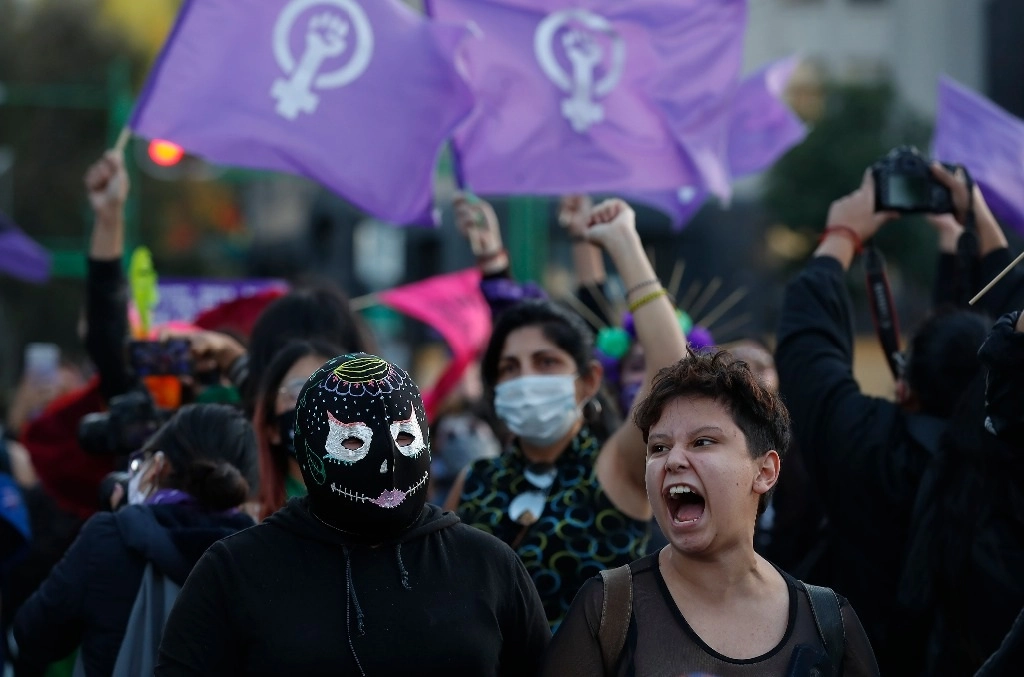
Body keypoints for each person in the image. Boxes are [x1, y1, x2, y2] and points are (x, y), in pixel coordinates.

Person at [157, 353, 550, 676]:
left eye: (404, 437)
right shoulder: (235, 571)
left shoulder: (488, 566)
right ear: (309, 453)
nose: (388, 463)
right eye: (352, 441)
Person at [540, 350, 879, 676]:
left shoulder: (828, 623)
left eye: (702, 442)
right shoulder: (609, 609)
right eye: (659, 448)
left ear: (765, 471)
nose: (673, 460)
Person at [774, 169, 992, 671]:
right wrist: (972, 235)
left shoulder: (865, 446)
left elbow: (809, 350)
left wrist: (842, 236)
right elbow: (988, 359)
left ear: (905, 388)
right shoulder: (1010, 460)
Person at [446, 199, 688, 628]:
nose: (526, 379)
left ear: (589, 380)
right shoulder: (474, 481)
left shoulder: (617, 467)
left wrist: (624, 244)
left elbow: (671, 367)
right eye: (509, 368)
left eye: (546, 363)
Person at [13, 404, 259, 676]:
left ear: (158, 467)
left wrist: (122, 524)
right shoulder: (260, 556)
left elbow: (32, 632)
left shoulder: (111, 537)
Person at [251, 338, 343, 519]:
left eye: (335, 390)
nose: (318, 404)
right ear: (272, 428)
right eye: (298, 391)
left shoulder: (388, 510)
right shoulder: (250, 518)